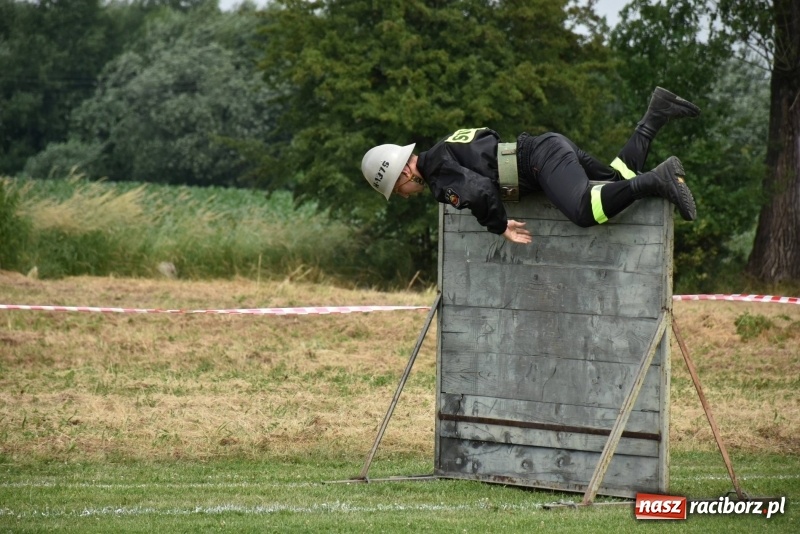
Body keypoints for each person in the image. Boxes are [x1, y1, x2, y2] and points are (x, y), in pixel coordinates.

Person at [361, 87, 700, 244]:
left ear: (404, 172)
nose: (404, 196)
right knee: (615, 180)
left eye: (396, 189)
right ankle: (655, 114)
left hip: (540, 160)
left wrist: (500, 226)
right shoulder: (445, 148)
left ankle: (659, 179)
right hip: (545, 148)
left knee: (585, 211)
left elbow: (479, 190)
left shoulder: (436, 172)